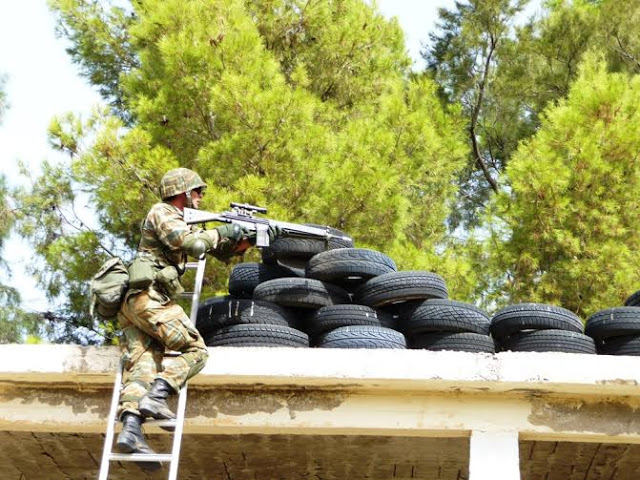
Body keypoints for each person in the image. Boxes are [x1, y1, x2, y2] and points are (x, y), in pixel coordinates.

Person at [115, 167, 254, 471]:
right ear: (183, 193)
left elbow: (218, 249)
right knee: (196, 351)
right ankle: (157, 397)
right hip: (148, 298)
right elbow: (193, 244)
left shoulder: (178, 219)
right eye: (198, 192)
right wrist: (223, 230)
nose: (202, 198)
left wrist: (246, 237)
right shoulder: (162, 212)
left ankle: (131, 430)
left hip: (136, 304)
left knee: (145, 365)